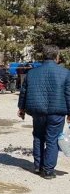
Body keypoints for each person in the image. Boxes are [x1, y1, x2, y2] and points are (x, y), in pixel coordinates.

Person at [18, 45, 70, 179]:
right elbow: (68, 94)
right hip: (57, 113)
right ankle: (48, 170)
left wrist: (21, 108)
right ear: (56, 57)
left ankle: (38, 166)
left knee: (38, 136)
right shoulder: (65, 73)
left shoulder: (32, 73)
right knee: (52, 139)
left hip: (38, 111)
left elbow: (23, 92)